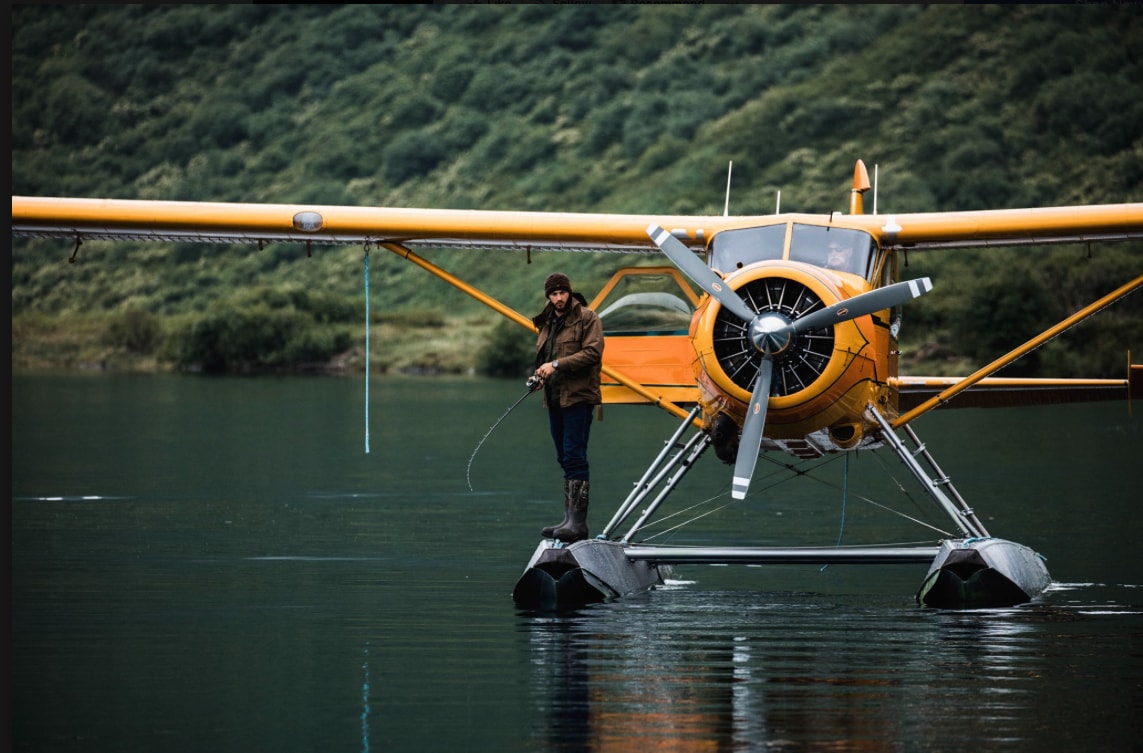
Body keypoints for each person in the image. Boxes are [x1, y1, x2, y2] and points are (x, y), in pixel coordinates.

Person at [532, 272, 604, 543]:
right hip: (554, 398)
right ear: (548, 296)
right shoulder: (547, 321)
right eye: (554, 294)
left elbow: (593, 353)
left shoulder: (588, 318)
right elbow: (545, 357)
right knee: (564, 456)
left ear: (570, 292)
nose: (559, 298)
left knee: (574, 455)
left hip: (578, 397)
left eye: (562, 292)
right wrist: (539, 376)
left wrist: (556, 365)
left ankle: (578, 524)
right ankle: (568, 519)